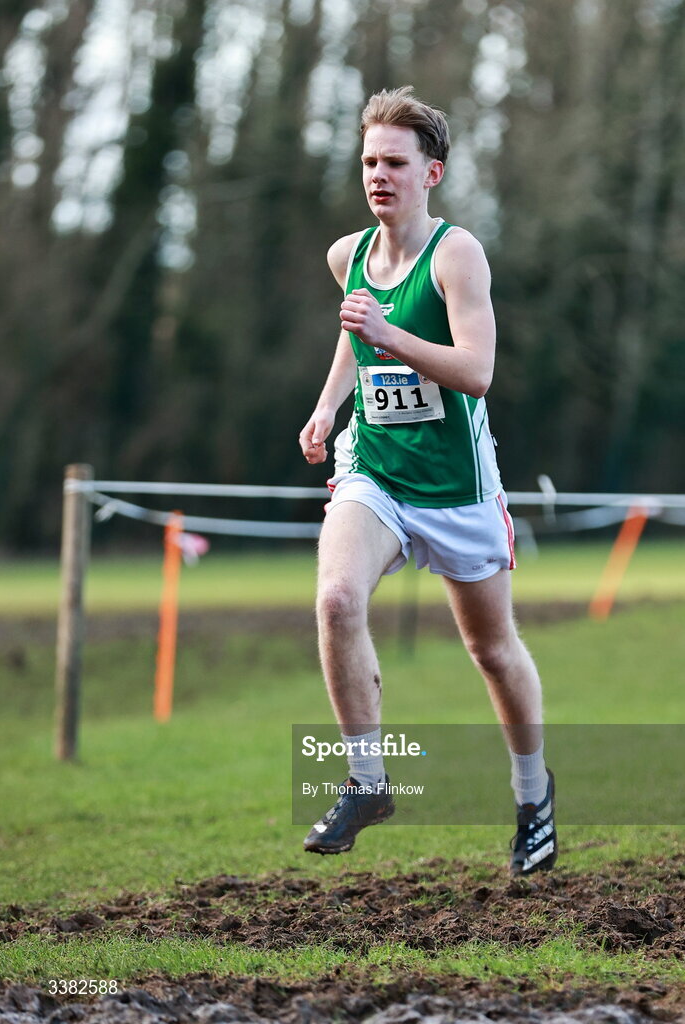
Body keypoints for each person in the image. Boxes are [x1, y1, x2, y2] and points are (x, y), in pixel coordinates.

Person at [298, 86, 556, 876]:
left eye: (395, 163)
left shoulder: (456, 254)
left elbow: (475, 373)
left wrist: (389, 332)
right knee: (338, 599)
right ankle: (368, 783)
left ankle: (530, 793)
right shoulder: (348, 255)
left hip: (458, 489)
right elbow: (354, 336)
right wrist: (327, 407)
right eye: (369, 161)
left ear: (430, 172)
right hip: (373, 471)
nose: (379, 176)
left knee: (491, 649)